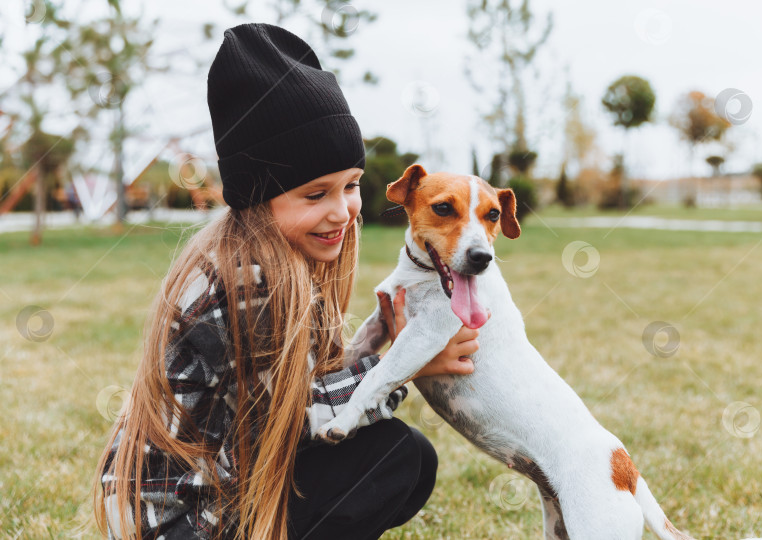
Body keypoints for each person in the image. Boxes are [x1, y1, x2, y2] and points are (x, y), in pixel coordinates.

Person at [92, 23, 484, 540]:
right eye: (314, 194)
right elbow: (304, 415)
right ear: (258, 197)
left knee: (404, 459)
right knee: (394, 457)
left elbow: (298, 385)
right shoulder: (246, 278)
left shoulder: (270, 256)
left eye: (350, 185)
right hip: (184, 523)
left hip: (222, 491)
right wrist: (403, 365)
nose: (342, 211)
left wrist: (378, 340)